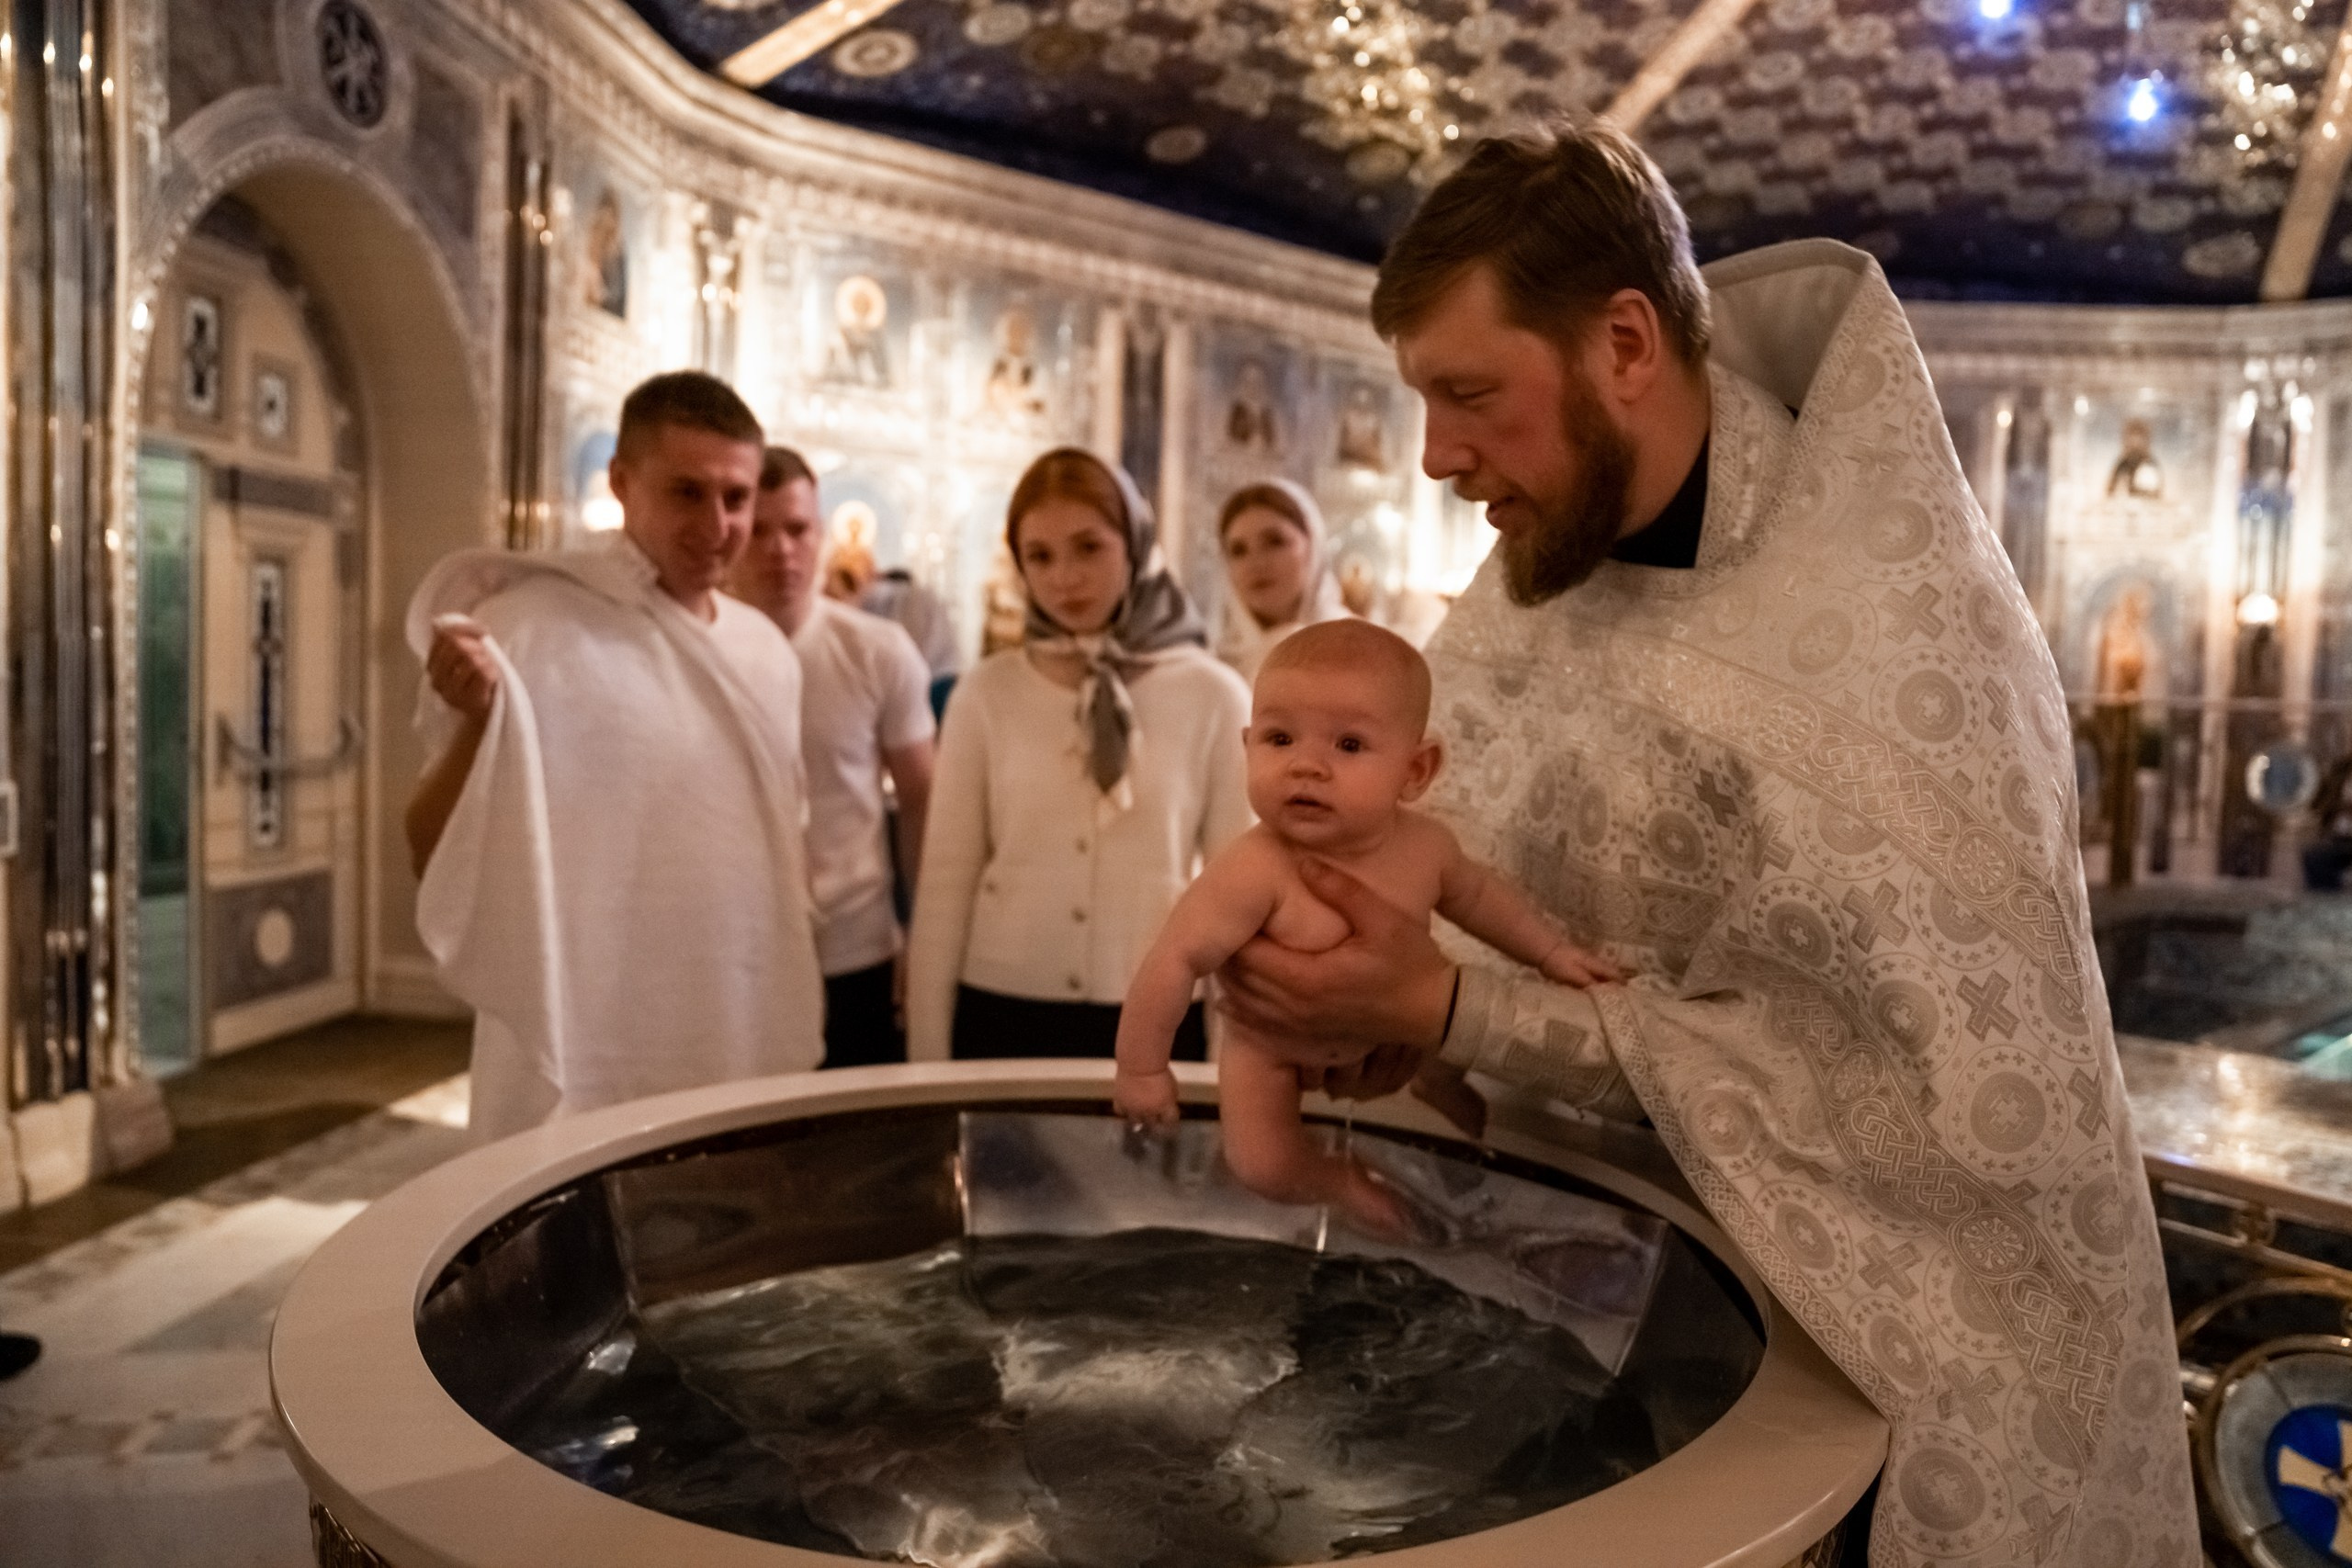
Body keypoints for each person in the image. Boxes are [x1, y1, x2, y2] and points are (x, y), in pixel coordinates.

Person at [1214, 120, 2198, 1563]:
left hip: (1895, 1387)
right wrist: (1361, 1000)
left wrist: (1450, 1005)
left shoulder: (1897, 643)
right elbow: (1449, 870)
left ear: (1623, 341)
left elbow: (1931, 1113)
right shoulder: (1540, 580)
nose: (1435, 458)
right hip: (1611, 1326)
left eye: (1472, 394)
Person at [405, 371, 824, 1140]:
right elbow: (430, 849)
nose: (718, 524)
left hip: (726, 1013)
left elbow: (777, 852)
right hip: (587, 1023)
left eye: (736, 497)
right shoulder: (525, 628)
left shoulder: (767, 651)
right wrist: (475, 720)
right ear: (623, 483)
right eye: (686, 492)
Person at [1114, 620, 1619, 1230]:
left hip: (1396, 1032)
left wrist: (1551, 951)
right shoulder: (1254, 866)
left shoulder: (1428, 847)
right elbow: (1174, 957)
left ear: (1416, 770)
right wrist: (1142, 1068)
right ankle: (1335, 1178)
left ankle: (1441, 1081)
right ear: (1247, 746)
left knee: (1459, 1000)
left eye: (1347, 746)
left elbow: (1483, 899)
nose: (1307, 766)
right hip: (1270, 1050)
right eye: (1279, 738)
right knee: (1260, 1165)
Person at [906, 448, 1250, 1063]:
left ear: (1135, 544)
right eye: (1040, 555)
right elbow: (945, 885)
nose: (1064, 577)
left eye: (1088, 547)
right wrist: (927, 1066)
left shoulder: (1214, 695)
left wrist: (1232, 1066)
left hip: (1161, 1008)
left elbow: (1237, 894)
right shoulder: (985, 693)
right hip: (1004, 1008)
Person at [726, 446, 937, 1067]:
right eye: (760, 530)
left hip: (854, 947)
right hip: (733, 951)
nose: (780, 549)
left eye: (796, 529)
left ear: (820, 532)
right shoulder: (697, 651)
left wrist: (921, 935)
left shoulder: (877, 650)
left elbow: (923, 800)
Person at [1213, 479, 1350, 683]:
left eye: (1274, 542)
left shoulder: (1356, 649)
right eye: (1239, 551)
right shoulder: (1218, 671)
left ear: (1312, 547)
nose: (1256, 563)